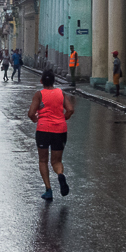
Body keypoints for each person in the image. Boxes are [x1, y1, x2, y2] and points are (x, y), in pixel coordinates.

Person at [27, 68, 75, 201]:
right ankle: (60, 174)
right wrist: (63, 118)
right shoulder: (61, 93)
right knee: (57, 161)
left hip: (43, 130)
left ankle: (48, 190)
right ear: (54, 81)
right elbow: (70, 109)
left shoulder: (39, 94)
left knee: (43, 160)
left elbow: (31, 113)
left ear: (41, 81)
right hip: (60, 130)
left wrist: (36, 119)